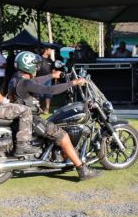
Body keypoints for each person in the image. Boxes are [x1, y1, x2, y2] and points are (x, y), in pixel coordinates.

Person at [8, 51, 101, 180]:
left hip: (24, 119)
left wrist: (51, 76)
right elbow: (49, 90)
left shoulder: (16, 79)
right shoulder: (25, 83)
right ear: (27, 66)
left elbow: (35, 81)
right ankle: (82, 169)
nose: (37, 68)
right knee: (63, 136)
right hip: (32, 121)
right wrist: (73, 83)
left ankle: (61, 156)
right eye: (35, 65)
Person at [37, 46, 54, 114]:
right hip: (39, 79)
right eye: (50, 50)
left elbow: (53, 70)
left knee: (48, 94)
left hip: (49, 80)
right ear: (46, 50)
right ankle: (39, 108)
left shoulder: (51, 60)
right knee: (39, 95)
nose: (51, 51)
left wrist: (55, 78)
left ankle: (47, 109)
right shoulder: (39, 59)